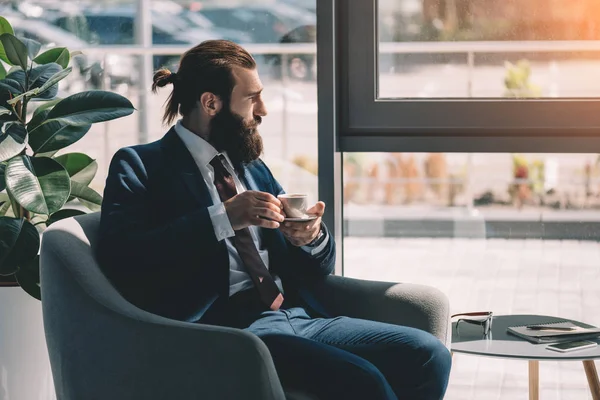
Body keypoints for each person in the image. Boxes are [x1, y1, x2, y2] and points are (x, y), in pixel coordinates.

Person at [97, 40, 451, 400]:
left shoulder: (249, 165)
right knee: (363, 380)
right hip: (223, 329)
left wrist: (309, 237)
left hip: (294, 315)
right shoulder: (141, 166)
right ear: (211, 103)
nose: (262, 110)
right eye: (252, 98)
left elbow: (317, 268)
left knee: (427, 354)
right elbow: (123, 256)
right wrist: (224, 217)